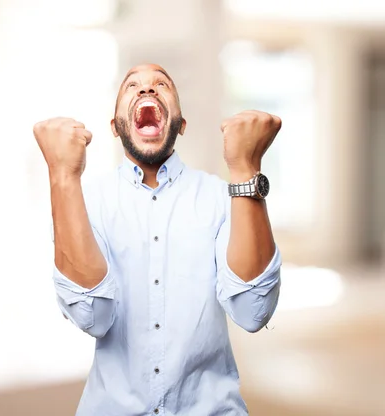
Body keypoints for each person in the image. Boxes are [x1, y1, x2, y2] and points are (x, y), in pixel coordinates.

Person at [33, 63, 282, 416]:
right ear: (115, 127)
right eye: (132, 85)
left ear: (180, 123)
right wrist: (61, 176)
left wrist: (246, 168)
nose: (147, 89)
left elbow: (252, 311)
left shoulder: (221, 196)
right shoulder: (83, 201)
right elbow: (92, 316)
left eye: (161, 84)